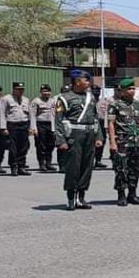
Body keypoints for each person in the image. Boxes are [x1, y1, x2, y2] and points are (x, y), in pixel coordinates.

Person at [54, 70, 104, 210]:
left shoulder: (90, 97)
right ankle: (71, 198)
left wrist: (99, 136)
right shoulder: (64, 98)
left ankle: (81, 197)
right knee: (73, 167)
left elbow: (95, 118)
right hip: (74, 135)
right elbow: (58, 121)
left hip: (89, 134)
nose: (88, 82)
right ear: (77, 82)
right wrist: (61, 140)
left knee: (87, 166)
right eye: (85, 80)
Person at [106, 78, 139, 206]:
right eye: (129, 89)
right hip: (122, 142)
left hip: (137, 142)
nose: (132, 91)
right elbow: (111, 124)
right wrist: (112, 142)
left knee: (136, 169)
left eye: (133, 88)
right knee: (121, 169)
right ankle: (121, 194)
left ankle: (132, 194)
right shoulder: (115, 105)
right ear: (122, 91)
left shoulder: (138, 105)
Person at [0, 81, 33, 176]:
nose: (20, 91)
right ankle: (13, 166)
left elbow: (30, 114)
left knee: (24, 147)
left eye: (22, 89)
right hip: (12, 125)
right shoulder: (6, 99)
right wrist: (3, 127)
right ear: (14, 89)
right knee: (13, 147)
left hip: (24, 125)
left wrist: (31, 127)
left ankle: (21, 166)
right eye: (18, 89)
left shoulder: (26, 99)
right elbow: (2, 113)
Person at [31, 85, 58, 172]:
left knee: (51, 144)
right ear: (41, 92)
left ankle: (48, 163)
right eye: (44, 91)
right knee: (41, 145)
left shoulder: (53, 101)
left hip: (51, 124)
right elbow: (32, 115)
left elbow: (56, 114)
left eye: (48, 91)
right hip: (40, 124)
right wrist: (33, 128)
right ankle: (42, 164)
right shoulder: (36, 101)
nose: (46, 93)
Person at [92, 86, 110, 169]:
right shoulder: (88, 101)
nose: (96, 92)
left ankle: (98, 160)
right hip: (91, 122)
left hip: (101, 122)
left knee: (102, 141)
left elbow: (107, 114)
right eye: (95, 90)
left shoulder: (104, 102)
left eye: (98, 91)